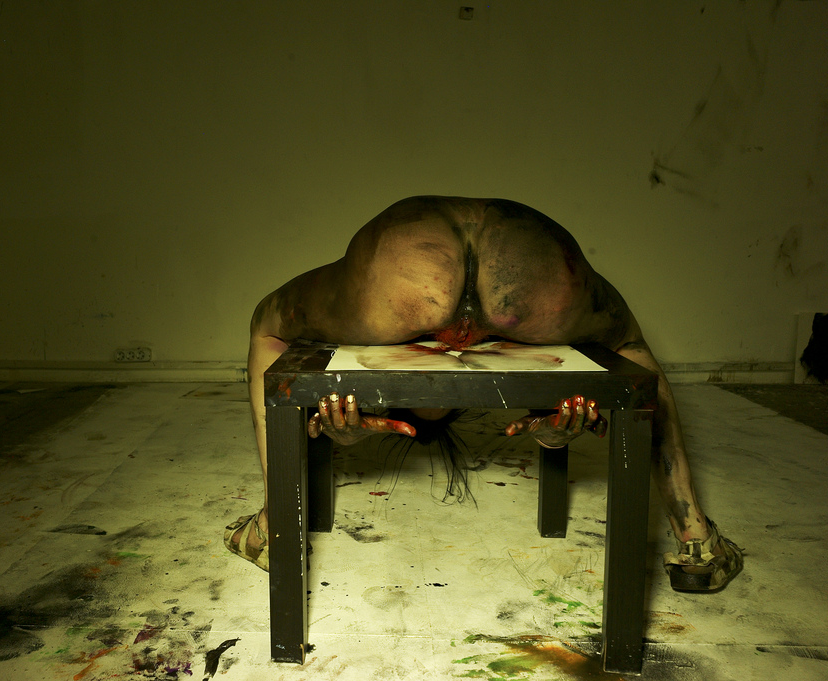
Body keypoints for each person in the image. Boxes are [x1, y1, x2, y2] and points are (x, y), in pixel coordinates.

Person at [225, 196, 742, 592]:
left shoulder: (398, 326)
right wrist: (554, 434)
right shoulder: (496, 344)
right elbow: (591, 369)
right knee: (627, 344)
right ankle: (695, 536)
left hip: (424, 255)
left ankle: (274, 523)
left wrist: (342, 435)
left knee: (264, 325)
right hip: (525, 247)